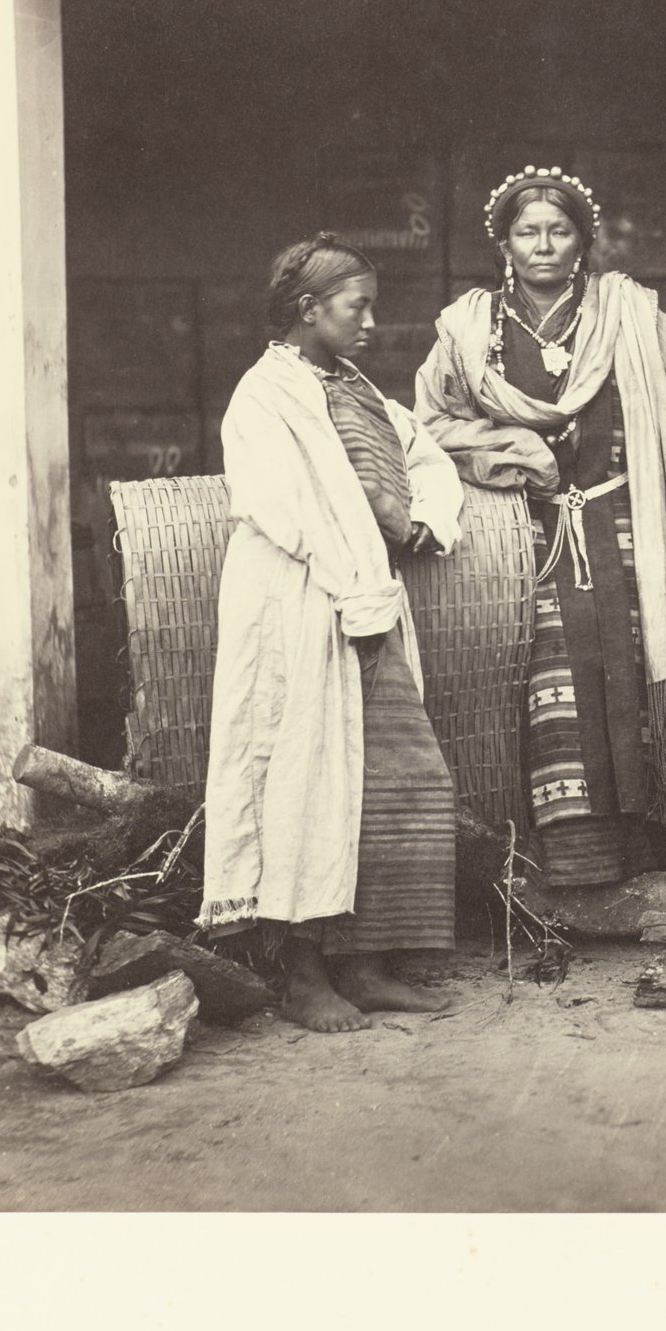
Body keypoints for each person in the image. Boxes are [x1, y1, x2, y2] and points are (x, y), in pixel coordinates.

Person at [415, 166, 666, 886]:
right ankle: (566, 864)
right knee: (546, 682)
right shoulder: (470, 330)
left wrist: (665, 481)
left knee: (637, 672)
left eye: (559, 232)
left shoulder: (629, 314)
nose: (543, 246)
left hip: (627, 530)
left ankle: (656, 858)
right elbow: (431, 427)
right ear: (504, 245)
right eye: (527, 233)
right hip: (525, 537)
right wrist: (509, 452)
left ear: (582, 242)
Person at [196, 233, 465, 1032]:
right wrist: (356, 586)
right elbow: (290, 510)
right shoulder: (263, 396)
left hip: (365, 600)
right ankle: (303, 975)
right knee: (303, 782)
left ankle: (365, 964)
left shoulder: (360, 391)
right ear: (309, 310)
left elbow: (428, 461)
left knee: (398, 780)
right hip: (298, 600)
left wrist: (423, 520)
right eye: (359, 307)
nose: (372, 323)